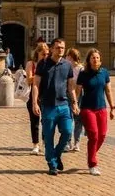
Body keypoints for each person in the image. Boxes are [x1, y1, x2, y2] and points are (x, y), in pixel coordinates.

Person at [32, 38, 78, 176]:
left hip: (64, 105)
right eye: (57, 47)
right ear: (52, 49)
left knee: (67, 131)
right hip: (48, 106)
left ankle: (57, 154)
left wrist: (74, 102)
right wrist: (35, 102)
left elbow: (71, 87)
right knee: (49, 136)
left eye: (62, 48)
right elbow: (36, 84)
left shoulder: (67, 65)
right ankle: (52, 164)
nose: (60, 50)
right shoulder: (43, 64)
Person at [76, 48, 115, 176]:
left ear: (100, 60)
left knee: (102, 135)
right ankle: (93, 164)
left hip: (101, 108)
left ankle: (91, 153)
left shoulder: (104, 73)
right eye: (93, 57)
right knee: (93, 135)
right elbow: (77, 91)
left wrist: (112, 107)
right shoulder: (83, 74)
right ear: (89, 60)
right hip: (87, 108)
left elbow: (108, 91)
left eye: (97, 58)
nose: (95, 60)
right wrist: (75, 104)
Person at [24, 42, 50, 155]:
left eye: (47, 54)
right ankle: (35, 144)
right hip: (33, 95)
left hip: (46, 95)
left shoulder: (49, 64)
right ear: (38, 53)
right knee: (34, 121)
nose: (46, 56)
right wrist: (40, 75)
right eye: (43, 54)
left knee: (46, 120)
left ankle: (45, 142)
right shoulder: (31, 64)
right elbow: (29, 80)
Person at [66, 48, 85, 152]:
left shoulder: (80, 69)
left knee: (78, 120)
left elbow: (79, 86)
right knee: (68, 119)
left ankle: (77, 142)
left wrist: (76, 101)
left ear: (71, 57)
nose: (65, 58)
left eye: (67, 56)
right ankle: (68, 142)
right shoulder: (66, 67)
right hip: (66, 95)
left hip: (79, 95)